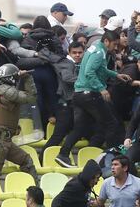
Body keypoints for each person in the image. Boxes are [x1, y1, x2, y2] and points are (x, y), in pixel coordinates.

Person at [55, 31, 132, 168]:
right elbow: (89, 71)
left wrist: (116, 75)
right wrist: (101, 88)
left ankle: (63, 154)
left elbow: (101, 69)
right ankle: (111, 161)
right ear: (107, 41)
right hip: (89, 94)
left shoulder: (96, 46)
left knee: (80, 127)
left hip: (79, 94)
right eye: (114, 44)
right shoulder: (98, 53)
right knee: (111, 124)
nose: (115, 48)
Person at [0, 63, 38, 183]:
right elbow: (31, 97)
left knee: (26, 160)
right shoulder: (8, 91)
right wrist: (27, 77)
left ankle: (32, 192)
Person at [39, 41, 85, 161]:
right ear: (69, 52)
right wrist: (86, 82)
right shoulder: (67, 63)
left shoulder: (80, 64)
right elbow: (67, 78)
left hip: (72, 103)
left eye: (80, 52)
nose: (77, 55)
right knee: (58, 135)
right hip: (65, 104)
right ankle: (42, 158)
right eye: (74, 52)